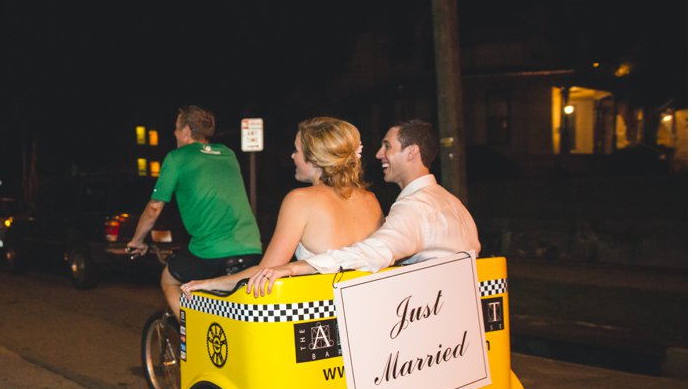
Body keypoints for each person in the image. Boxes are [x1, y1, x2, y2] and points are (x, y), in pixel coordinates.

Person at [247, 119, 480, 296]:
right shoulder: (452, 203)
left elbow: (375, 252)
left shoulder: (415, 207)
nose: (378, 154)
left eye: (387, 146)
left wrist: (295, 268)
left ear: (412, 152)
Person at [179, 117, 383, 297]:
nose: (291, 156)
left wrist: (208, 283)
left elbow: (266, 271)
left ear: (314, 158)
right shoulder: (371, 200)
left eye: (296, 150)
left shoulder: (301, 200)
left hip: (321, 318)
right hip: (364, 311)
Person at [127, 105, 263, 318]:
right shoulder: (228, 154)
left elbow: (154, 208)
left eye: (176, 128)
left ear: (187, 131)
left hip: (210, 249)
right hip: (251, 246)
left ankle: (190, 334)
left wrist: (137, 241)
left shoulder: (177, 158)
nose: (174, 133)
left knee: (169, 280)